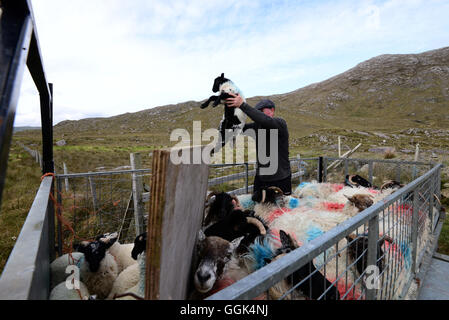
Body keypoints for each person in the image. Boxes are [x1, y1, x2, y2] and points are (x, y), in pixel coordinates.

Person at [225, 93, 292, 195]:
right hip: (261, 179)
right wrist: (231, 110)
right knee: (259, 208)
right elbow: (235, 128)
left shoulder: (280, 123)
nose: (258, 114)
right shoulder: (256, 127)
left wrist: (242, 105)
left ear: (272, 110)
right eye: (257, 112)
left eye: (261, 111)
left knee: (282, 209)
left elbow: (264, 120)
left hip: (281, 178)